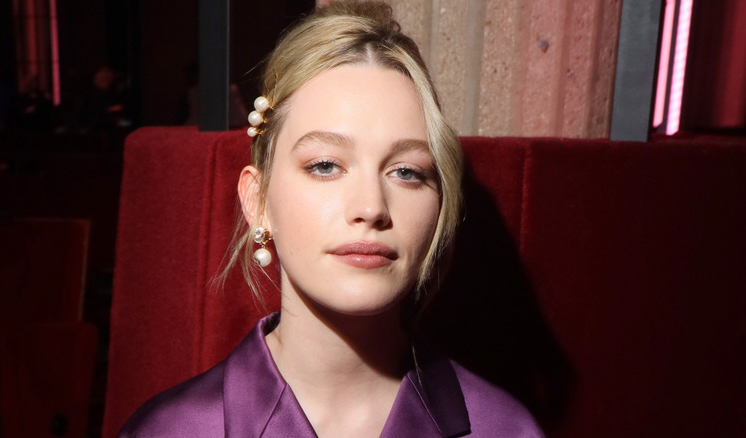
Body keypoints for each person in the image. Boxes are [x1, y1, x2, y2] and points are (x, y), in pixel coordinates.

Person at [119, 2, 543, 436]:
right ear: (257, 199)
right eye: (325, 165)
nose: (372, 207)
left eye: (406, 172)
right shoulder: (172, 430)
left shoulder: (506, 428)